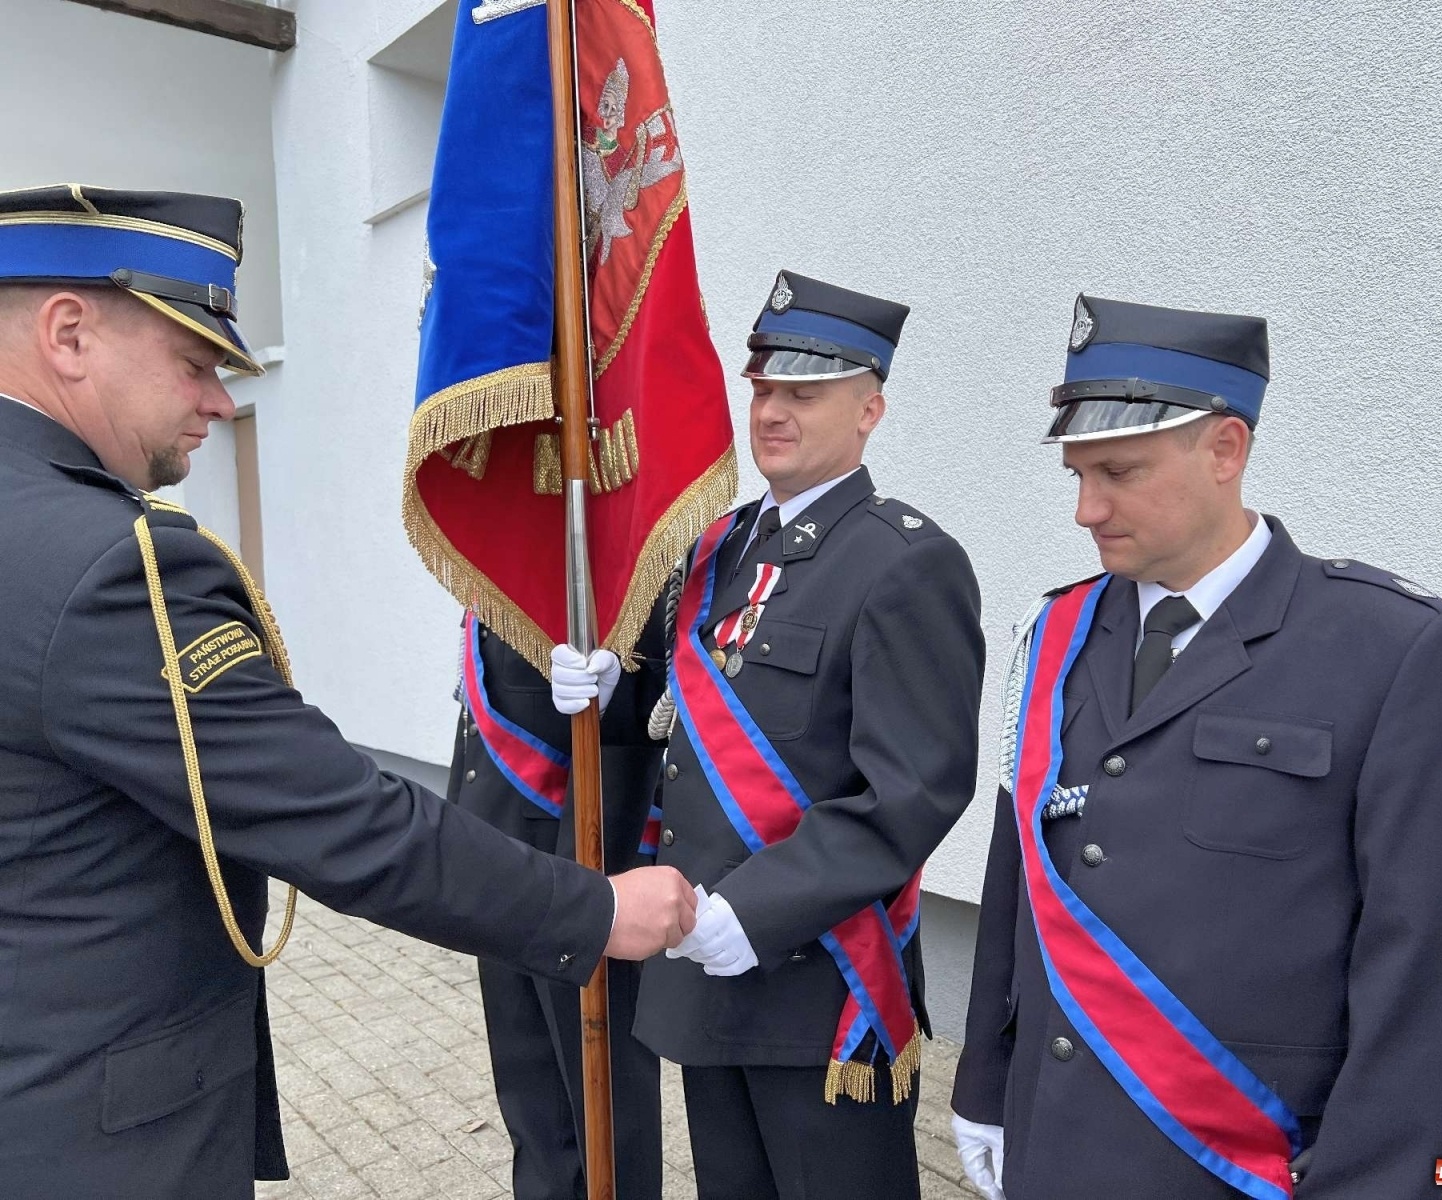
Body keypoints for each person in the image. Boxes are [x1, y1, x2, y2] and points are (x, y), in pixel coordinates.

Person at [0, 183, 696, 1200]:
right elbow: (342, 821)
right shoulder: (113, 567)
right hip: (96, 1137)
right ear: (69, 334)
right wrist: (593, 910)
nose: (218, 402)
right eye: (195, 363)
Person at [950, 294, 1442, 1199]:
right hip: (1057, 1140)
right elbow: (1017, 873)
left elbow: (1434, 956)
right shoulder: (1054, 634)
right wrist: (983, 1082)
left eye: (1121, 472)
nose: (1088, 509)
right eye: (1077, 475)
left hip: (1238, 1164)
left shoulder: (1390, 648)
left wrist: (1376, 1180)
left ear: (1225, 449)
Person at [556, 270, 986, 1200]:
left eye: (806, 390)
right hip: (704, 975)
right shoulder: (716, 548)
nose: (774, 410)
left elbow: (911, 792)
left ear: (869, 408)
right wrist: (607, 693)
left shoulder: (906, 562)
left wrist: (749, 916)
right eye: (763, 388)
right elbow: (682, 727)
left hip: (817, 983)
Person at [447, 613, 667, 1200]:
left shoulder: (592, 527)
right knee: (527, 1086)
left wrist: (618, 690)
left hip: (574, 838)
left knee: (603, 1099)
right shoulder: (496, 535)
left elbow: (653, 678)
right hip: (496, 829)